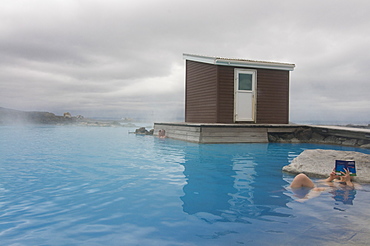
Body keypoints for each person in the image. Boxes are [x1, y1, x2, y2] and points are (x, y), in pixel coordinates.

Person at [289, 168, 355, 201]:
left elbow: (351, 189)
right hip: (316, 187)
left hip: (323, 190)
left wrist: (348, 181)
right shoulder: (334, 180)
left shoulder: (352, 184)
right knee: (301, 177)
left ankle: (305, 199)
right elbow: (318, 182)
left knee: (317, 189)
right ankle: (288, 190)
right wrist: (330, 178)